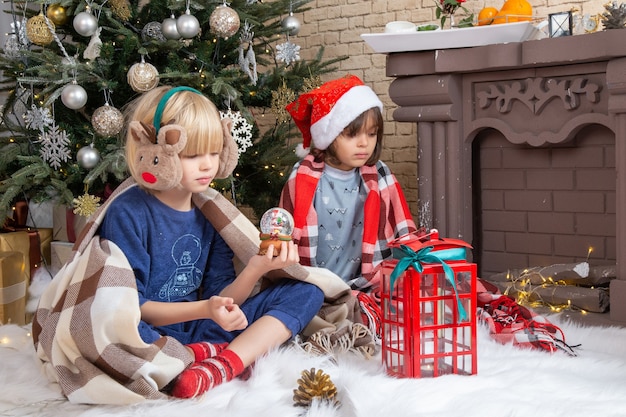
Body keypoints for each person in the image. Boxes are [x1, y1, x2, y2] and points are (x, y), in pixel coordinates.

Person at [98, 85, 325, 399]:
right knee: (114, 336)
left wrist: (256, 269)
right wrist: (205, 308)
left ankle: (223, 363)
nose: (208, 165)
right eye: (192, 155)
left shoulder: (211, 211)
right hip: (152, 333)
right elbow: (131, 307)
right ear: (156, 152)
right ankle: (213, 354)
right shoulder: (129, 212)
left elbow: (223, 295)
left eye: (215, 152)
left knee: (307, 291)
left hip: (202, 327)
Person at [279, 75, 417, 335]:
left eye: (372, 133)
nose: (364, 143)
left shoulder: (380, 175)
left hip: (363, 282)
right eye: (352, 134)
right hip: (316, 282)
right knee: (299, 314)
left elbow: (402, 230)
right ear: (330, 136)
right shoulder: (304, 177)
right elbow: (285, 233)